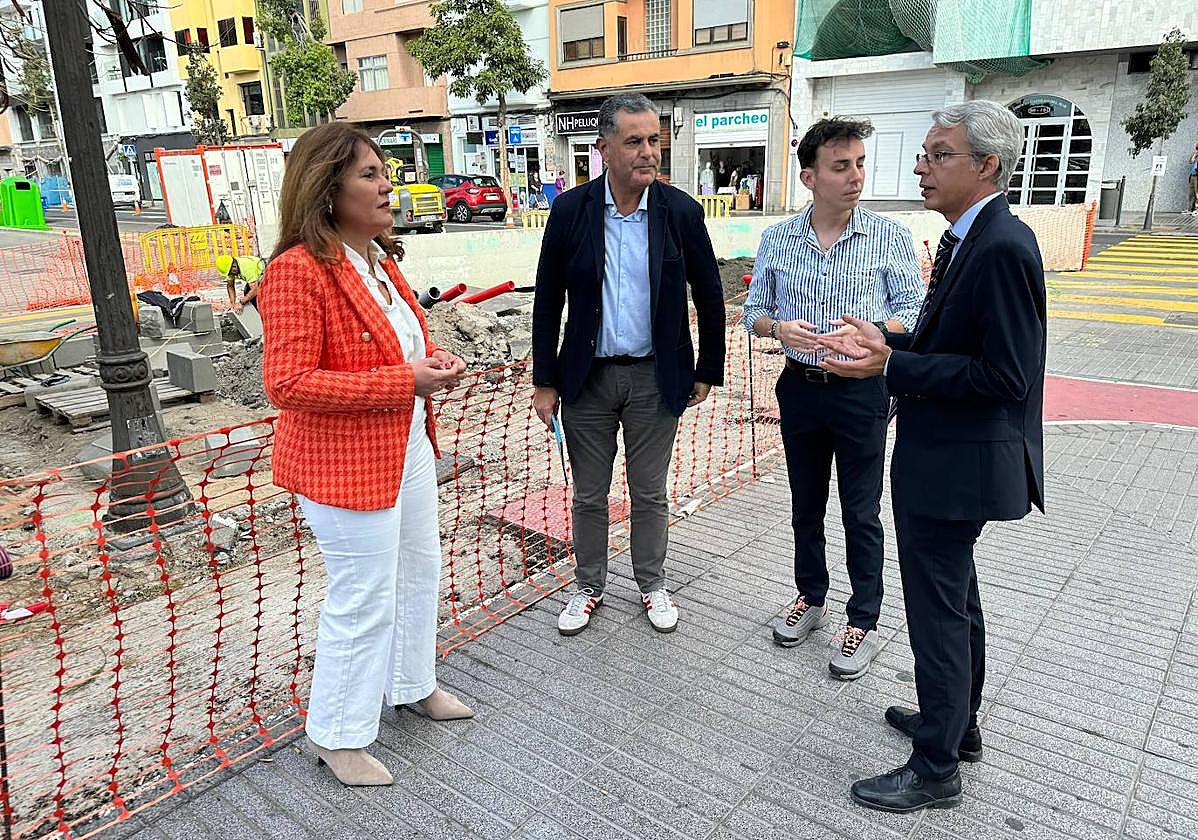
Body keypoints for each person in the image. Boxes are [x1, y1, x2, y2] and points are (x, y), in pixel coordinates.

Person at [815, 101, 1046, 812]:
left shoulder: (1002, 246)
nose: (921, 166)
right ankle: (957, 724)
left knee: (939, 613)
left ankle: (937, 765)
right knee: (959, 602)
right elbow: (954, 345)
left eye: (939, 154)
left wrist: (893, 369)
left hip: (957, 465)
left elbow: (1005, 376)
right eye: (924, 152)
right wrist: (891, 347)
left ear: (986, 166)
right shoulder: (965, 239)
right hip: (946, 460)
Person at [259, 122, 473, 788]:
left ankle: (411, 682)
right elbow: (287, 384)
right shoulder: (297, 271)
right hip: (340, 464)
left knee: (418, 567)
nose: (388, 186)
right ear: (326, 189)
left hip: (404, 442)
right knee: (362, 596)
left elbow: (393, 353)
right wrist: (405, 380)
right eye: (370, 175)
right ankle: (336, 735)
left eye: (385, 172)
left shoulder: (379, 259)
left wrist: (428, 365)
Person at [531, 92, 726, 636]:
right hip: (586, 379)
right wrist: (544, 381)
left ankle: (651, 583)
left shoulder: (680, 212)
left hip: (653, 377)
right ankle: (588, 586)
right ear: (604, 149)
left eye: (654, 140)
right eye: (634, 141)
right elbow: (548, 300)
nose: (648, 152)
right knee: (589, 495)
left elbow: (710, 296)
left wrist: (708, 370)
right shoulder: (571, 212)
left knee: (649, 491)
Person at [743, 118, 925, 681]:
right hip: (800, 390)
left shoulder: (887, 235)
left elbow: (914, 311)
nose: (855, 177)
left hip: (861, 392)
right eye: (841, 166)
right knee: (805, 504)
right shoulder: (778, 238)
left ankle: (863, 621)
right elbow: (752, 314)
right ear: (809, 176)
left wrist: (873, 331)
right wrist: (779, 330)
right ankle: (810, 596)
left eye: (860, 164)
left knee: (860, 511)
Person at [1188, 143, 1197, 213]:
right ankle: (1190, 209)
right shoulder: (1196, 155)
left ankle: (1196, 209)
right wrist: (1194, 152)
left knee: (1197, 193)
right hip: (1192, 176)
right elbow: (1190, 161)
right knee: (1191, 193)